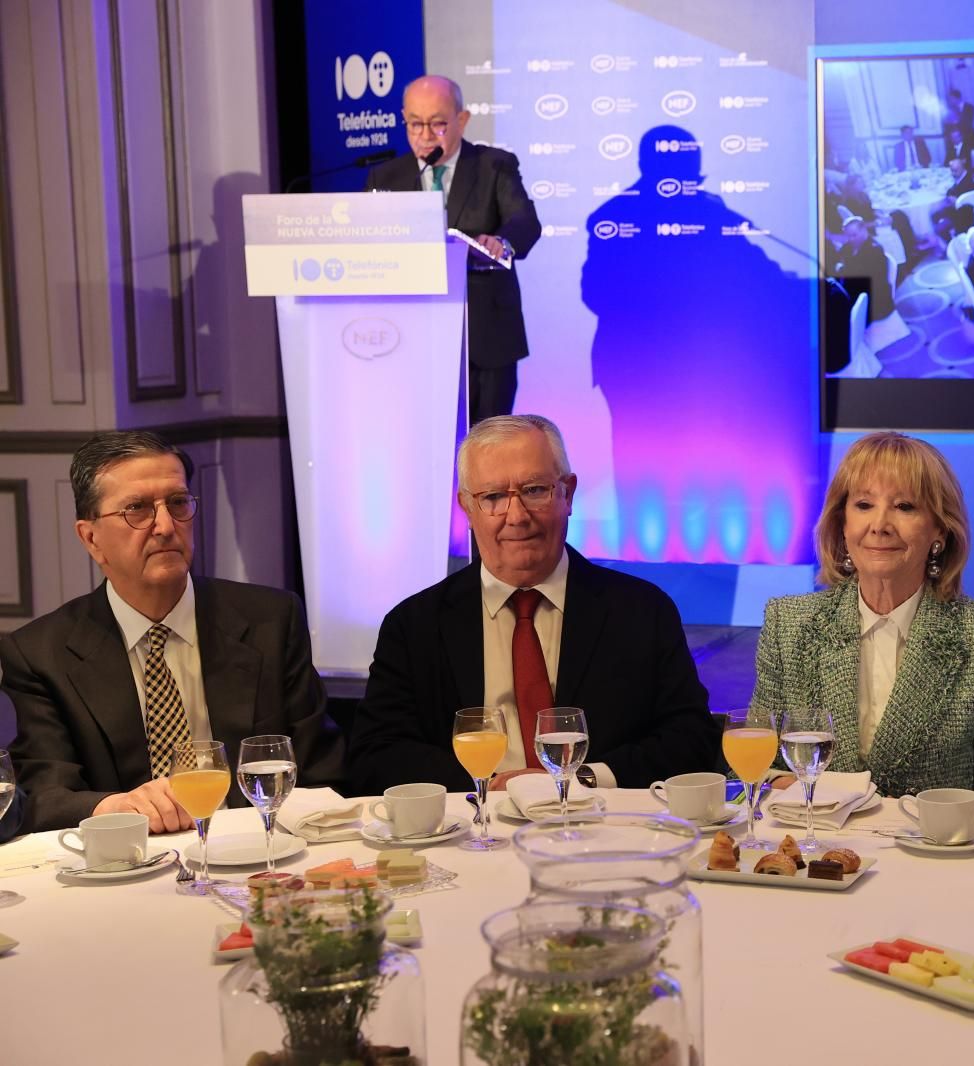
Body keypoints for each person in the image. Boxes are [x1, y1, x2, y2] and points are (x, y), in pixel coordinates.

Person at [350, 416, 719, 794]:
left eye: (534, 490)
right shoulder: (414, 627)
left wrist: (582, 780)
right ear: (466, 508)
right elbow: (376, 755)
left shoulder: (642, 612)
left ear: (568, 494)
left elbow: (692, 740)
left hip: (604, 836)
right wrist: (489, 787)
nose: (516, 517)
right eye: (493, 497)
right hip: (469, 838)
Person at [0, 432, 342, 833]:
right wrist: (116, 805)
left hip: (257, 852)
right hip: (129, 865)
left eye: (178, 503)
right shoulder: (41, 653)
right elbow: (43, 791)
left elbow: (319, 767)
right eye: (137, 509)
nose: (165, 526)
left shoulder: (271, 620)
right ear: (91, 538)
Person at [749, 432, 974, 807]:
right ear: (843, 525)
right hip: (816, 851)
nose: (880, 524)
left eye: (904, 506)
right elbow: (751, 767)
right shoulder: (789, 624)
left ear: (940, 532)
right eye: (864, 505)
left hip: (935, 856)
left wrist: (904, 816)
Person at [366, 75, 542, 425]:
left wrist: (501, 243)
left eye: (438, 123)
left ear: (462, 120)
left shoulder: (494, 165)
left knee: (488, 446)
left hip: (485, 336)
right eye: (415, 124)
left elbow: (524, 222)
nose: (426, 135)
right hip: (409, 339)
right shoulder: (384, 179)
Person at [829, 216, 894, 325]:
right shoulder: (848, 247)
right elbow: (842, 263)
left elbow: (871, 283)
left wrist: (843, 273)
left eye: (854, 235)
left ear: (864, 230)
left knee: (835, 314)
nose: (850, 239)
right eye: (848, 236)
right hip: (858, 293)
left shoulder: (874, 250)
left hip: (876, 303)